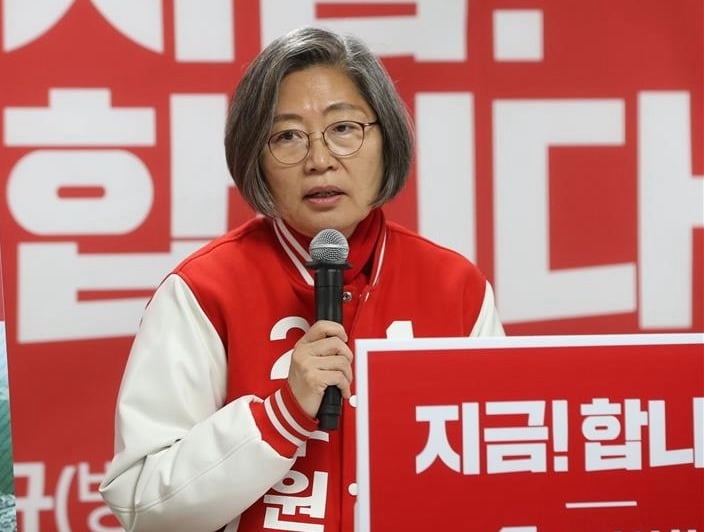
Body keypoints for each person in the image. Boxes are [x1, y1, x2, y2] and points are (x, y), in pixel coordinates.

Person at [99, 26, 505, 531]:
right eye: (287, 136)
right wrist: (282, 414)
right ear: (255, 158)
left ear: (387, 139)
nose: (319, 160)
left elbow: (502, 466)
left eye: (344, 128)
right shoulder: (205, 290)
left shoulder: (455, 286)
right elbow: (142, 505)